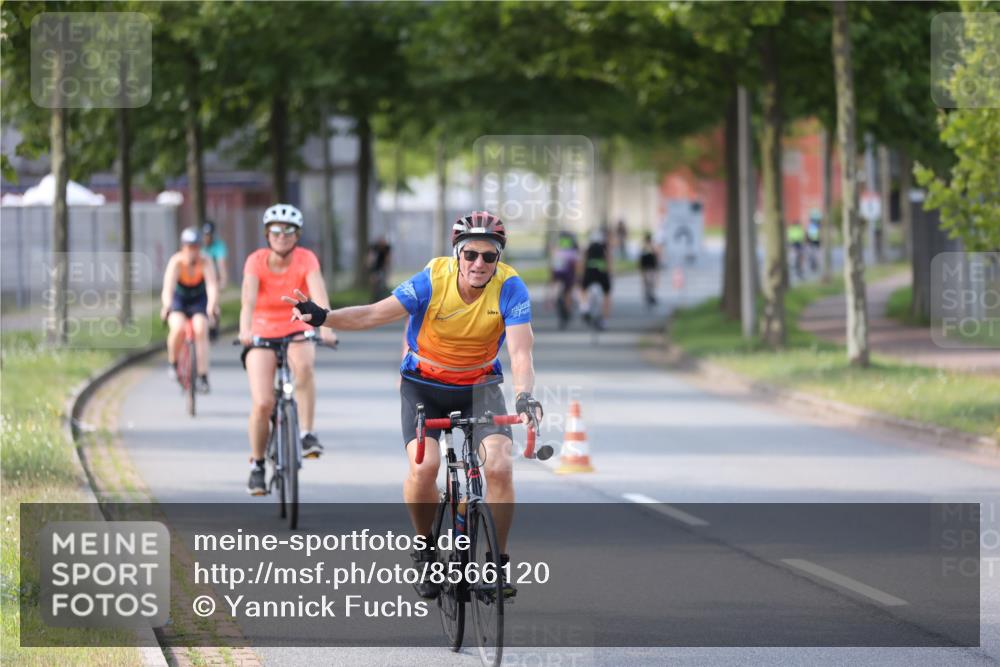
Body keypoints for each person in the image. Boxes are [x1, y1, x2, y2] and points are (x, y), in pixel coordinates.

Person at [283, 211, 543, 600]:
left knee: (500, 467)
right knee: (425, 468)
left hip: (480, 386)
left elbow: (521, 351)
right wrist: (323, 317)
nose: (479, 264)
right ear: (457, 254)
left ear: (498, 258)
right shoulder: (432, 280)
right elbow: (374, 313)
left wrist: (524, 396)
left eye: (489, 256)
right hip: (424, 386)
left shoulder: (510, 287)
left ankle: (496, 563)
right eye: (471, 254)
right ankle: (425, 549)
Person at [238, 204, 337, 496]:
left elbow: (319, 295)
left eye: (289, 230)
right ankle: (257, 465)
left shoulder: (306, 258)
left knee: (304, 367)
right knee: (263, 403)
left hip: (297, 326)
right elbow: (247, 301)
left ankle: (306, 433)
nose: (282, 235)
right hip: (261, 330)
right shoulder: (255, 261)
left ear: (298, 234)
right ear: (267, 234)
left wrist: (327, 326)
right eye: (276, 230)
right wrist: (245, 330)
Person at [160, 227, 219, 393]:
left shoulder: (205, 261)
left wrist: (212, 306)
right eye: (189, 246)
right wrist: (167, 305)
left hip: (199, 299)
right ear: (183, 247)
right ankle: (173, 363)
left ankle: (203, 376)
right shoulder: (176, 262)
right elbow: (168, 287)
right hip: (180, 299)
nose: (192, 251)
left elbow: (212, 286)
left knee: (201, 328)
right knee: (178, 328)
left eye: (196, 247)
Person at [580, 226, 613, 329]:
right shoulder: (604, 247)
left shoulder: (588, 248)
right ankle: (605, 320)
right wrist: (610, 273)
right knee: (607, 294)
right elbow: (609, 260)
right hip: (602, 272)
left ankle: (585, 308)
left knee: (583, 289)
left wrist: (581, 273)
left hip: (589, 271)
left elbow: (583, 261)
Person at [201, 220, 228, 340]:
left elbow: (221, 265)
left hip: (213, 279)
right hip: (201, 280)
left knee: (213, 304)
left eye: (209, 235)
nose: (207, 238)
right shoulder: (200, 246)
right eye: (205, 235)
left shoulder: (218, 246)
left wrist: (223, 280)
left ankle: (213, 326)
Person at [549, 230, 580, 329]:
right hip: (569, 272)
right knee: (568, 292)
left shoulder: (557, 248)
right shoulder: (573, 249)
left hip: (558, 271)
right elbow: (576, 263)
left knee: (557, 289)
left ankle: (556, 299)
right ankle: (567, 310)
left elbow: (553, 262)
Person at [639, 231, 661, 307]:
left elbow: (654, 258)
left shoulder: (649, 248)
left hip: (649, 268)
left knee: (650, 283)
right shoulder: (646, 248)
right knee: (648, 283)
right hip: (648, 268)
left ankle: (650, 296)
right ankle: (649, 296)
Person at [368, 235, 392, 302]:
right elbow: (370, 257)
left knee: (383, 282)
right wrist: (370, 266)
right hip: (375, 267)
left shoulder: (387, 247)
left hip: (382, 267)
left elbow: (388, 258)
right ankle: (374, 298)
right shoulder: (374, 247)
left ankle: (383, 297)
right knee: (374, 282)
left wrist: (386, 267)